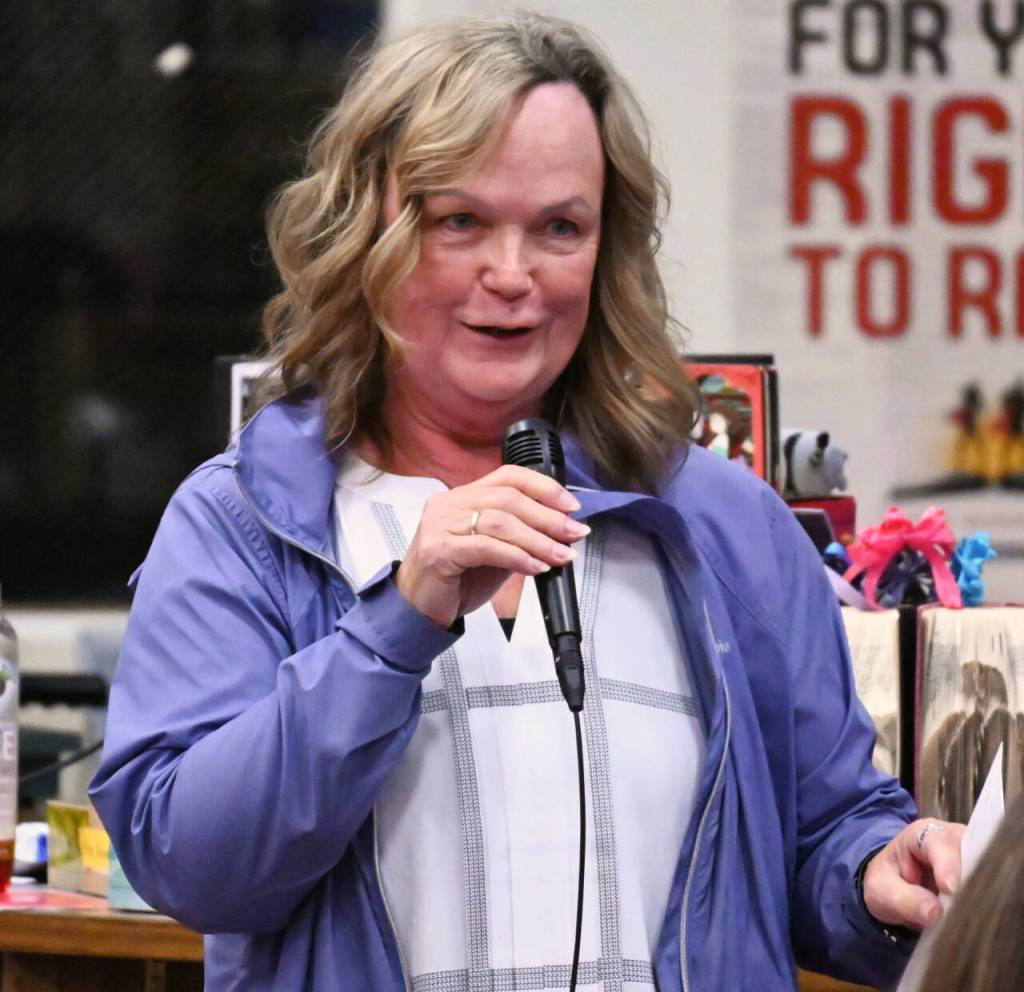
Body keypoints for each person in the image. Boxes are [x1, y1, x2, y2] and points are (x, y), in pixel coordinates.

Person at [90, 12, 963, 992]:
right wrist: (393, 625)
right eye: (458, 219)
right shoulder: (247, 522)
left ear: (607, 247)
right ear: (365, 230)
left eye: (559, 226)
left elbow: (819, 835)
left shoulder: (724, 524)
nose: (512, 277)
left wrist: (876, 875)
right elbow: (190, 866)